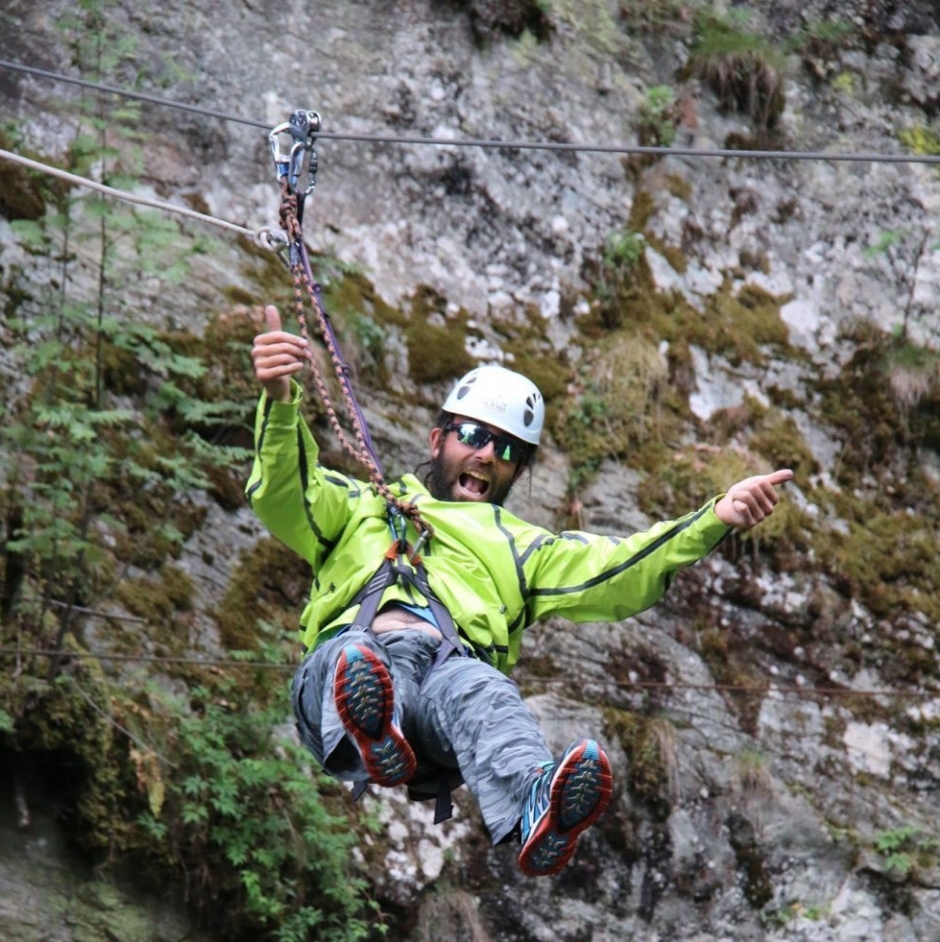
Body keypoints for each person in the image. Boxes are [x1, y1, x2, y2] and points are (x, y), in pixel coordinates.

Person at [247, 304, 793, 877]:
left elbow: (618, 569)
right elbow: (285, 490)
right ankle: (370, 729)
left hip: (444, 682)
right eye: (475, 436)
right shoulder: (360, 504)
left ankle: (534, 802)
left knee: (485, 690)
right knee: (353, 660)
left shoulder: (521, 547)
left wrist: (714, 518)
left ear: (516, 472)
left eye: (507, 450)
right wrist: (281, 401)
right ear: (438, 439)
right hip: (346, 665)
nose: (487, 454)